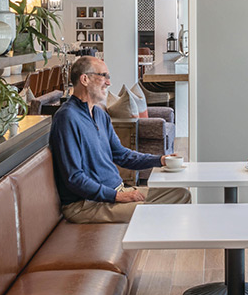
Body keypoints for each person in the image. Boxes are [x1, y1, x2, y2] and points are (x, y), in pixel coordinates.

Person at [49, 56, 190, 223]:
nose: (108, 83)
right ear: (84, 79)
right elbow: (74, 178)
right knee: (159, 212)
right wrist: (116, 196)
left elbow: (122, 155)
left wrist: (159, 160)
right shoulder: (67, 118)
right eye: (103, 76)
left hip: (115, 192)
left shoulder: (100, 114)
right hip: (87, 204)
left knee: (180, 194)